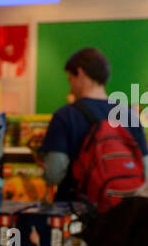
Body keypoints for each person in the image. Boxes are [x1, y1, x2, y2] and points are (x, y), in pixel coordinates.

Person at [41, 47, 148, 203]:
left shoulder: (65, 116)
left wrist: (42, 162)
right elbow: (145, 169)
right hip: (123, 214)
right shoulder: (129, 115)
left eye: (70, 79)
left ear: (81, 73)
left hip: (79, 212)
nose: (70, 87)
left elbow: (54, 174)